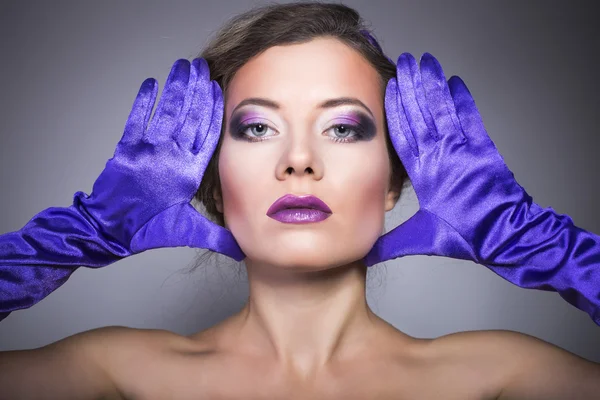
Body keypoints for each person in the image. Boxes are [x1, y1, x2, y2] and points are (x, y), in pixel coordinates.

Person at [1, 2, 599, 399]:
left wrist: (536, 244)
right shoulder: (111, 372)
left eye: (344, 128)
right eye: (257, 128)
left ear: (394, 179)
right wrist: (80, 234)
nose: (299, 160)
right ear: (211, 181)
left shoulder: (502, 377)